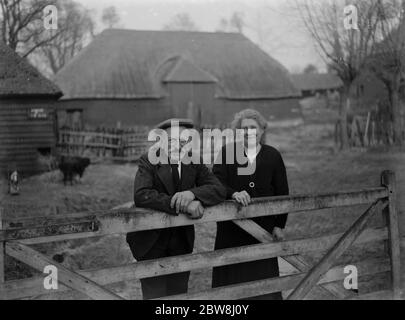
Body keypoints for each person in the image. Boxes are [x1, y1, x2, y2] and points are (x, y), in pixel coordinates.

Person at [126, 118, 226, 299]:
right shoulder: (149, 160)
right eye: (172, 140)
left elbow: (218, 189)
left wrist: (192, 194)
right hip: (151, 240)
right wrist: (182, 203)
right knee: (154, 295)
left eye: (183, 140)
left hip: (181, 240)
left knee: (179, 294)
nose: (178, 144)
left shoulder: (193, 161)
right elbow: (142, 194)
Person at [212, 109, 289, 300]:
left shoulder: (273, 156)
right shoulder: (227, 152)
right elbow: (215, 183)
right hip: (232, 230)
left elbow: (283, 192)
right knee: (232, 286)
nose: (248, 132)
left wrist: (280, 224)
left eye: (253, 128)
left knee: (263, 284)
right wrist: (233, 193)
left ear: (262, 131)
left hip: (263, 230)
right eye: (243, 128)